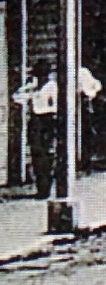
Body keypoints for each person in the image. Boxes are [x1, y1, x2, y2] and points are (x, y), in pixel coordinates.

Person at [16, 61, 58, 199]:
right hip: (35, 121)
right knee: (36, 154)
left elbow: (54, 106)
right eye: (38, 76)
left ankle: (45, 189)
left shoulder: (51, 87)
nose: (41, 78)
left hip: (47, 120)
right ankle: (40, 187)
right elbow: (16, 97)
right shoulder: (34, 88)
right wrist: (28, 86)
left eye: (42, 75)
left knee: (45, 156)